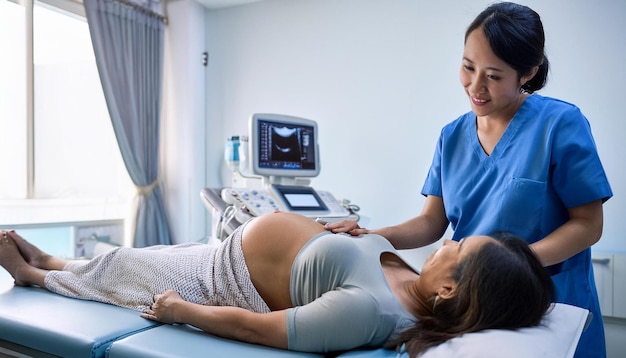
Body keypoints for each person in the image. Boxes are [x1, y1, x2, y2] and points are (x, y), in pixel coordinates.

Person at [326, 2, 612, 357]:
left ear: (527, 73)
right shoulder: (452, 136)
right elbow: (431, 221)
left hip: (549, 302)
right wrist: (373, 236)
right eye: (467, 67)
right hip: (470, 306)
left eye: (493, 76)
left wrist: (512, 266)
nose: (475, 86)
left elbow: (587, 225)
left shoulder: (560, 124)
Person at [0, 211, 553, 356]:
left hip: (216, 280)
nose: (450, 241)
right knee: (118, 259)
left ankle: (30, 274)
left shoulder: (371, 314)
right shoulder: (411, 275)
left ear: (452, 291)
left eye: (460, 249)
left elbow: (261, 329)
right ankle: (51, 258)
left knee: (116, 272)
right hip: (224, 252)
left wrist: (181, 313)